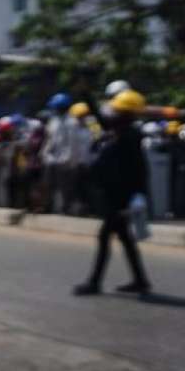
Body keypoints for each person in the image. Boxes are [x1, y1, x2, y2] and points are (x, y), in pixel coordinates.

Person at [74, 90, 153, 296]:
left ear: (126, 114)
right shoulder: (122, 131)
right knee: (125, 239)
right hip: (115, 195)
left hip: (119, 198)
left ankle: (94, 282)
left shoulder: (128, 137)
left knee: (104, 237)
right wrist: (87, 94)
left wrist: (133, 199)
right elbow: (102, 119)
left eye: (118, 111)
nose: (113, 113)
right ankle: (140, 280)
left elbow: (138, 171)